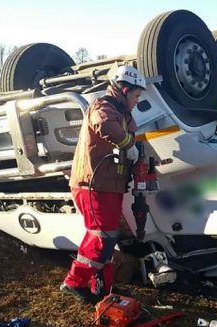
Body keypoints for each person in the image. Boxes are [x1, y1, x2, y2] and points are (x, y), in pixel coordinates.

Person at [60, 65, 147, 304]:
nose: (137, 101)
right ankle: (74, 282)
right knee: (103, 237)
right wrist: (129, 145)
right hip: (94, 185)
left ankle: (102, 288)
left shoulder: (123, 113)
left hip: (109, 186)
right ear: (125, 89)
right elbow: (107, 126)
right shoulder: (103, 107)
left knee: (106, 237)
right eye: (136, 96)